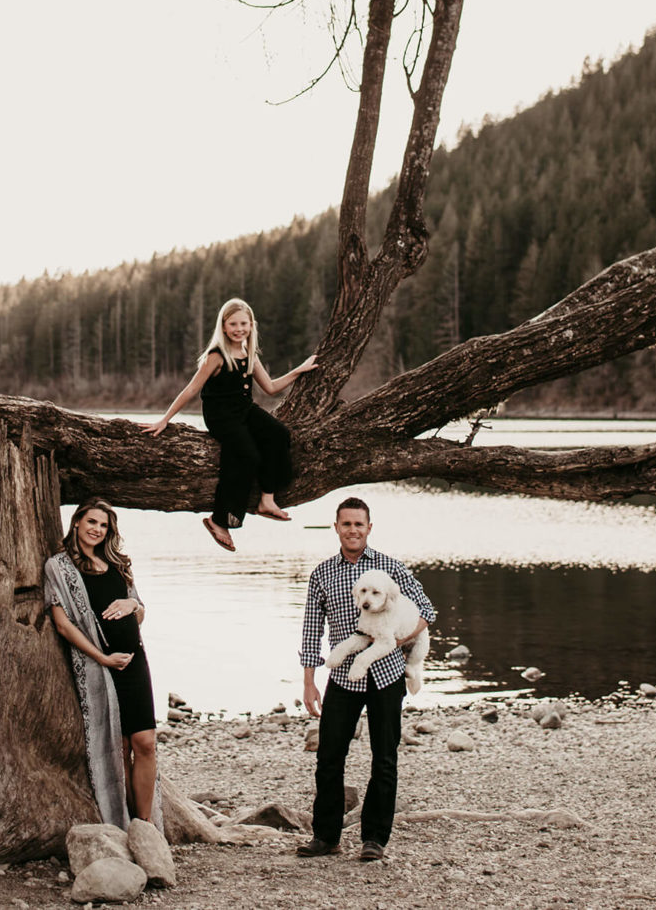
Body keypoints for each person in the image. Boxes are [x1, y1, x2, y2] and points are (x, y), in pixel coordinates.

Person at [296, 496, 435, 862]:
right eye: (346, 524)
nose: (353, 530)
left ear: (369, 528)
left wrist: (399, 641)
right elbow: (312, 630)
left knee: (384, 758)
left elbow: (427, 610)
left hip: (386, 676)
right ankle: (326, 837)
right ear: (336, 527)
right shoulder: (322, 574)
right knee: (328, 757)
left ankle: (374, 839)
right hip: (342, 677)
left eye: (359, 524)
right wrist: (310, 681)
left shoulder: (390, 569)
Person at [142, 297, 318, 551]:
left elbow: (270, 388)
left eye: (243, 323)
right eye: (233, 324)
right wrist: (165, 419)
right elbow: (191, 389)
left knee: (278, 434)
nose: (239, 329)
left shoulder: (250, 355)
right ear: (223, 327)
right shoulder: (216, 356)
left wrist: (300, 369)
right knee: (247, 455)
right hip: (221, 416)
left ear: (251, 325)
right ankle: (219, 520)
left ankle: (267, 499)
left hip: (244, 410)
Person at [43, 498, 163, 829]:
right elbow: (63, 624)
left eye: (104, 525)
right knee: (118, 749)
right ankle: (125, 821)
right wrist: (103, 658)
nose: (97, 529)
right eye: (92, 522)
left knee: (146, 742)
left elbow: (140, 611)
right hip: (100, 667)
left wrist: (131, 604)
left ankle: (147, 824)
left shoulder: (118, 564)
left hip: (135, 662)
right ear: (77, 522)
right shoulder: (60, 567)